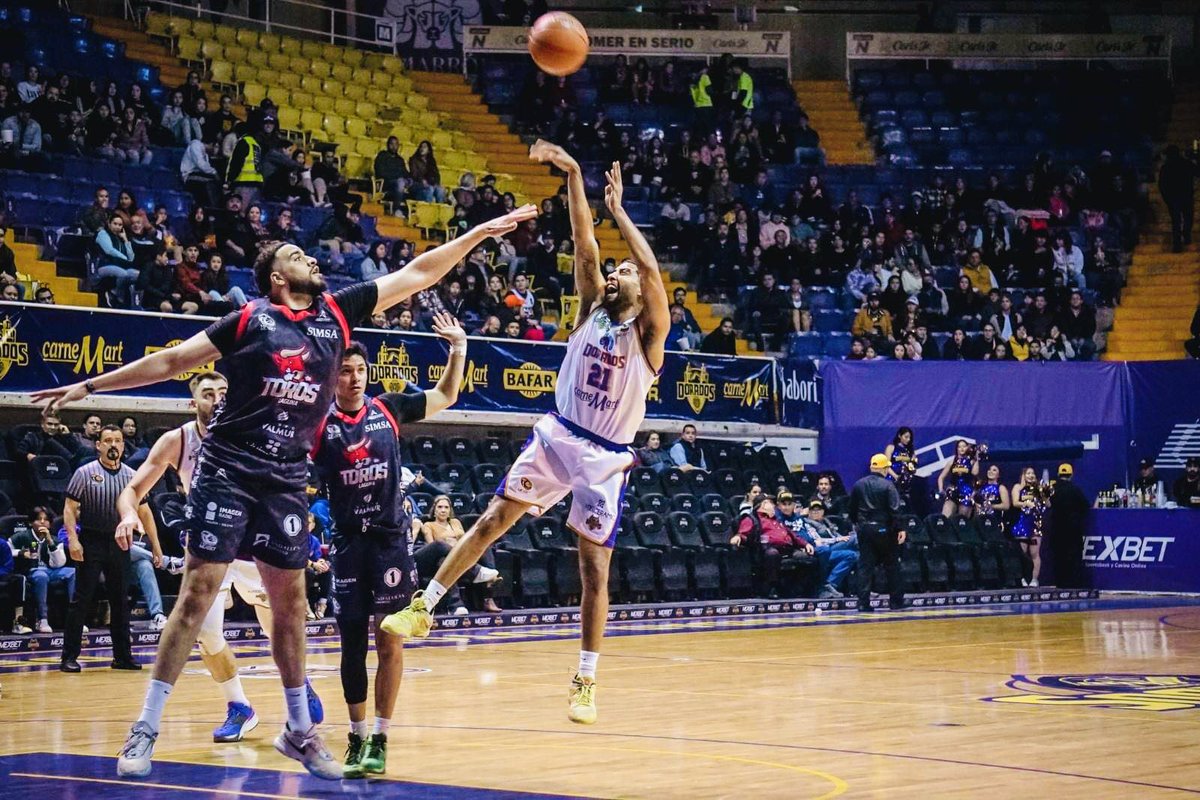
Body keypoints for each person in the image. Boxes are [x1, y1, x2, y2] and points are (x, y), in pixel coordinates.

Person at [34, 203, 536, 779]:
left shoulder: (336, 313)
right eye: (297, 255)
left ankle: (299, 731)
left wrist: (478, 233)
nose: (311, 258)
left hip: (285, 477)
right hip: (230, 467)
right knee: (198, 592)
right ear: (277, 278)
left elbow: (419, 273)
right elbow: (173, 360)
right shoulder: (250, 321)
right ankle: (145, 726)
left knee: (291, 604)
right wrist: (90, 385)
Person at [379, 141, 670, 727]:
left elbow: (652, 270)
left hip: (605, 458)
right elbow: (584, 241)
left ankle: (586, 676)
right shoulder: (591, 308)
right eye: (615, 271)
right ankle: (424, 606)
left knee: (593, 570)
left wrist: (622, 214)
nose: (616, 272)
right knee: (491, 519)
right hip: (559, 434)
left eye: (625, 271)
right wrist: (575, 173)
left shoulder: (649, 335)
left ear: (641, 291)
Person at [113, 371, 322, 743]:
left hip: (252, 548)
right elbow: (132, 489)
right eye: (208, 393)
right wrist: (129, 514)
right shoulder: (177, 440)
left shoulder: (253, 432)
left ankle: (299, 682)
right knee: (206, 634)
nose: (217, 399)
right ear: (195, 402)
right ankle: (239, 707)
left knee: (276, 628)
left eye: (224, 391)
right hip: (211, 548)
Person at [310, 322, 467, 777]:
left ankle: (380, 736)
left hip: (390, 542)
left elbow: (447, 395)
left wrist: (458, 348)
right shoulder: (319, 424)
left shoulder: (388, 409)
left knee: (390, 638)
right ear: (332, 377)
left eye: (360, 370)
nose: (355, 378)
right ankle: (355, 737)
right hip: (347, 544)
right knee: (351, 645)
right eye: (345, 371)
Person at [60, 426, 160, 673]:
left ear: (124, 446)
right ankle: (68, 657)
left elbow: (145, 512)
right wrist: (73, 540)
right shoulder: (85, 472)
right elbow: (70, 509)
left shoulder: (132, 476)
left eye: (117, 440)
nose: (113, 444)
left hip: (120, 542)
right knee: (81, 601)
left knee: (120, 601)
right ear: (98, 445)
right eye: (107, 441)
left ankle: (122, 657)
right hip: (91, 540)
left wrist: (156, 547)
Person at [849, 454, 907, 612]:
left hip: (865, 529)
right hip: (884, 530)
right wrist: (900, 528)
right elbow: (895, 510)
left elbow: (852, 508)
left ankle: (863, 603)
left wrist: (857, 524)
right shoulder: (888, 486)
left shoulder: (858, 484)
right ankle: (896, 602)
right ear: (885, 468)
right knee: (892, 566)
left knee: (865, 566)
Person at [775, 492, 856, 598]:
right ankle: (821, 586)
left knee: (851, 555)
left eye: (789, 504)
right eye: (783, 504)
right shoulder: (778, 520)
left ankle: (829, 584)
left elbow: (814, 537)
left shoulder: (800, 519)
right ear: (778, 505)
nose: (786, 507)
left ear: (794, 505)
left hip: (816, 547)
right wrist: (803, 545)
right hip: (801, 549)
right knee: (829, 549)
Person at [730, 493, 807, 598]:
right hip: (766, 549)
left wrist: (806, 544)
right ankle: (772, 588)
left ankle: (799, 589)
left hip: (787, 548)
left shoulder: (777, 519)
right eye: (770, 503)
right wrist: (738, 537)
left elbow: (792, 535)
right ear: (762, 505)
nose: (773, 505)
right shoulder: (752, 518)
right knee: (772, 554)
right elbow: (743, 532)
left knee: (804, 557)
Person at [24, 506, 75, 632]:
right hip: (32, 571)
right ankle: (42, 619)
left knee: (72, 572)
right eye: (38, 519)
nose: (42, 522)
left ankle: (75, 618)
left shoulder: (55, 540)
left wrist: (50, 542)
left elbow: (58, 563)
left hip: (51, 571)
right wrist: (20, 553)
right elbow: (7, 550)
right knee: (42, 576)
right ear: (30, 522)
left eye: (46, 520)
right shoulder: (22, 536)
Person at [1048, 463, 1089, 588]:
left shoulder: (1052, 489)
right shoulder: (1075, 489)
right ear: (1071, 475)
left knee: (1059, 556)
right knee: (1074, 556)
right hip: (1073, 529)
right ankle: (1074, 584)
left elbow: (1048, 504)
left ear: (1059, 475)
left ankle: (1060, 583)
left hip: (1057, 528)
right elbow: (1085, 507)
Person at [1011, 466, 1052, 586]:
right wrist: (1025, 503)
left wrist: (1043, 493)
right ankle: (1022, 578)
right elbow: (1015, 503)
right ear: (1023, 475)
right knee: (1022, 553)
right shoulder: (1018, 487)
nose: (1030, 475)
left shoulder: (1038, 488)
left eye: (1032, 473)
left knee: (1034, 553)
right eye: (1028, 473)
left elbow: (1048, 504)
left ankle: (1034, 579)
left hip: (1035, 525)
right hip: (1022, 524)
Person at [1158, 145, 1197, 252]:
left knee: (1176, 222)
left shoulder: (1166, 167)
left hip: (1174, 198)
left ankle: (1177, 245)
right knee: (1188, 218)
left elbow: (1162, 185)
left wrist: (1167, 199)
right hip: (1186, 196)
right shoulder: (1187, 164)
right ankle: (1186, 235)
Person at [938, 440, 980, 518]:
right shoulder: (952, 462)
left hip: (966, 493)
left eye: (964, 446)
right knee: (945, 516)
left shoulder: (971, 462)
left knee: (962, 520)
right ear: (956, 449)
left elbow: (975, 473)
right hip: (953, 492)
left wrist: (976, 458)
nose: (962, 448)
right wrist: (941, 490)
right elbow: (941, 477)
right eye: (959, 446)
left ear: (967, 448)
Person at [883, 427, 917, 500]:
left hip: (905, 481)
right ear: (899, 436)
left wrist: (912, 467)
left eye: (909, 437)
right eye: (906, 437)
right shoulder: (891, 448)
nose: (908, 439)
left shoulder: (910, 451)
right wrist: (895, 476)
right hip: (891, 479)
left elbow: (913, 467)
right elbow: (886, 465)